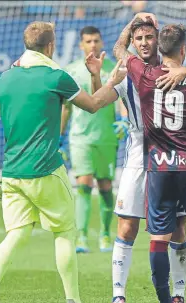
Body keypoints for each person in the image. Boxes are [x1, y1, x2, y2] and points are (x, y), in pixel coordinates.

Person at [0, 21, 127, 303]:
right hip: (46, 170)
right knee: (64, 233)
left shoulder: (4, 79)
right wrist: (112, 81)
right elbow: (95, 104)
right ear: (50, 46)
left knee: (15, 234)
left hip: (13, 173)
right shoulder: (57, 76)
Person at [88, 13, 186, 303]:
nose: (144, 42)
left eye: (149, 37)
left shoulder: (175, 70)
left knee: (178, 228)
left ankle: (177, 296)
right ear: (134, 43)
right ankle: (119, 297)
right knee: (126, 228)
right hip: (140, 159)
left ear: (159, 40)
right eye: (138, 38)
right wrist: (98, 77)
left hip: (163, 161)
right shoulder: (128, 74)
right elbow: (97, 101)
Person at [61, 26, 126, 254]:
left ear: (102, 43)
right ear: (81, 45)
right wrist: (59, 138)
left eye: (96, 41)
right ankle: (82, 237)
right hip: (80, 137)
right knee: (84, 184)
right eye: (88, 41)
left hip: (106, 137)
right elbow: (65, 108)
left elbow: (122, 98)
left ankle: (106, 235)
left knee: (106, 186)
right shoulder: (70, 71)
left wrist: (124, 120)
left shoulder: (113, 69)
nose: (92, 45)